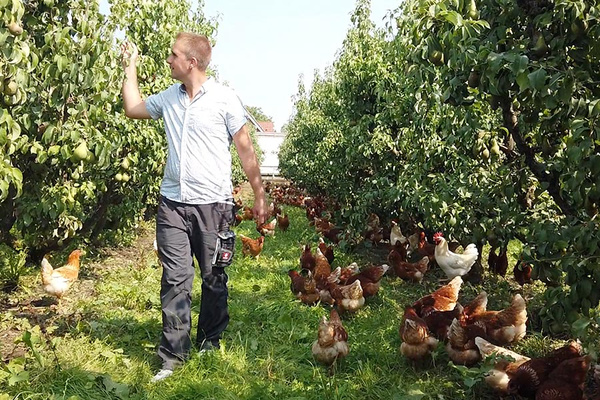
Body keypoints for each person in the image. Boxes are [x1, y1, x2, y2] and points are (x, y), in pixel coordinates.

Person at [120, 33, 268, 382]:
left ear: (191, 62)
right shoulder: (169, 98)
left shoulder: (224, 99)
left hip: (213, 205)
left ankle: (209, 341)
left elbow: (245, 149)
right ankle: (173, 356)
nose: (168, 60)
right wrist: (129, 67)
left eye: (173, 55)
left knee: (213, 277)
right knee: (175, 279)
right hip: (172, 203)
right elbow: (132, 108)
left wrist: (259, 194)